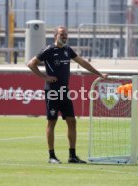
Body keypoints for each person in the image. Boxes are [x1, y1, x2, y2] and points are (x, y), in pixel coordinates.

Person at [27, 26, 108, 164]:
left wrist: (99, 74)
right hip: (52, 91)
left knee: (72, 121)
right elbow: (31, 64)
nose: (65, 37)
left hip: (64, 91)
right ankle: (52, 156)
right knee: (52, 122)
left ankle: (72, 156)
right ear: (55, 36)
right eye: (62, 34)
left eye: (66, 35)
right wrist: (45, 77)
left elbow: (83, 62)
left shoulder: (67, 50)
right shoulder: (48, 50)